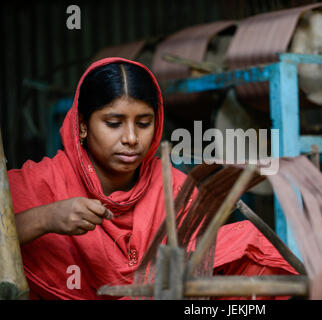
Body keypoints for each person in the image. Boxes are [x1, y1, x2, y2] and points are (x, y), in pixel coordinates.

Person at [8, 57, 296, 300]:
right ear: (82, 126)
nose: (132, 138)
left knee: (247, 247)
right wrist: (46, 218)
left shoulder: (174, 188)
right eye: (114, 123)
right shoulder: (38, 185)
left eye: (144, 123)